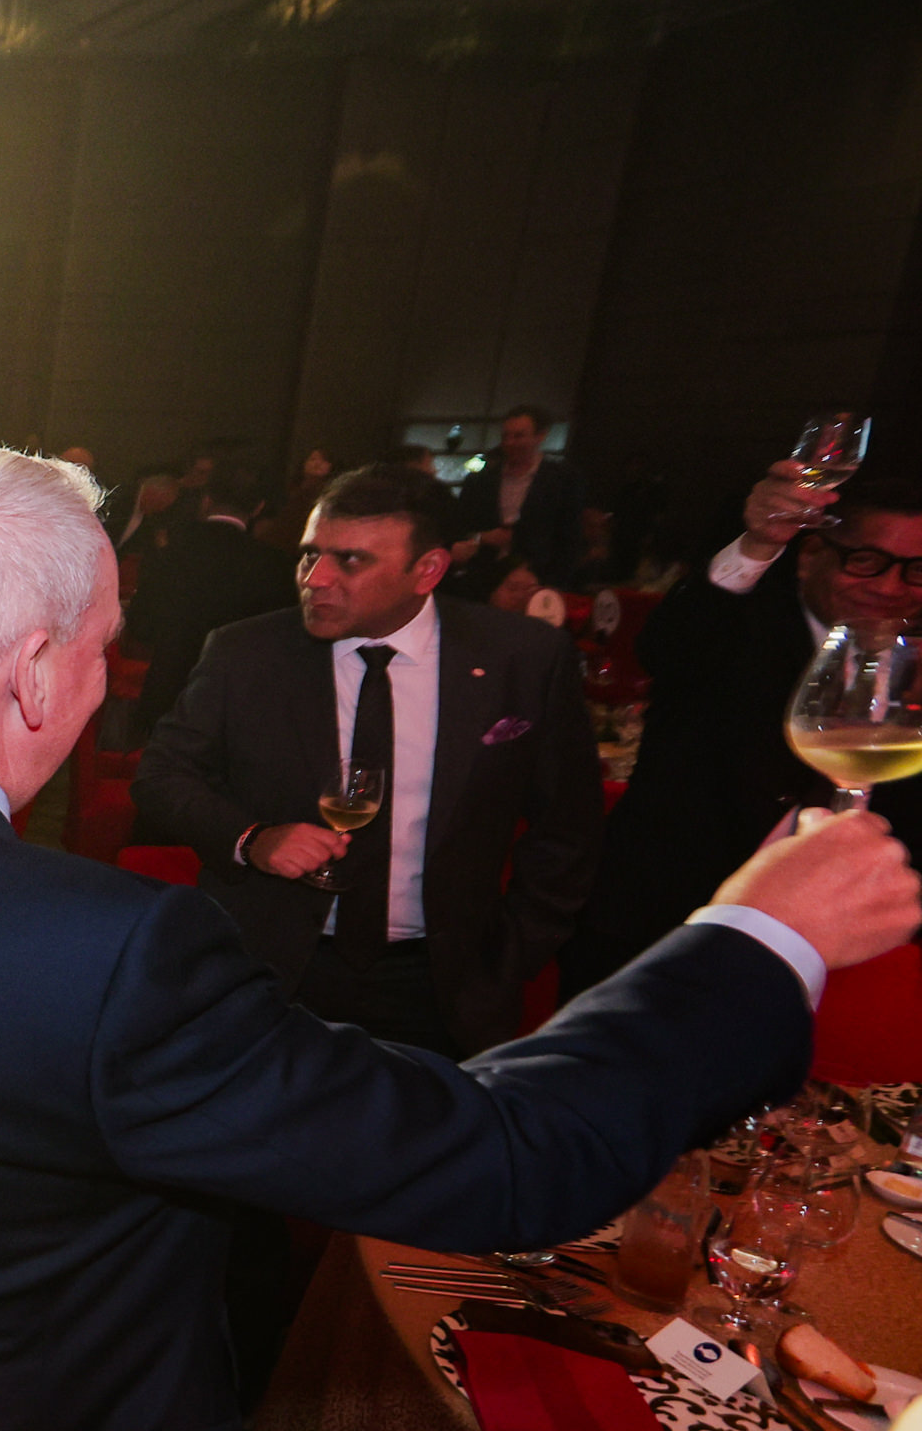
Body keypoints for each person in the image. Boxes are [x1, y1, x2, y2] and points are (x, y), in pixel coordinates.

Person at [0, 443, 917, 1431]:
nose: (105, 677)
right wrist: (760, 935)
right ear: (35, 671)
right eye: (104, 646)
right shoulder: (113, 952)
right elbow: (511, 1157)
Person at [132, 463, 604, 1057]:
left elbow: (568, 826)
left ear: (427, 570)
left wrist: (511, 955)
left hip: (442, 980)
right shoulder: (246, 651)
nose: (316, 578)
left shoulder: (521, 657)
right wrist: (253, 839)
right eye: (310, 555)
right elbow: (162, 774)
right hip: (274, 966)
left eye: (350, 560)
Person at [562, 465, 922, 999]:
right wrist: (757, 543)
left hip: (839, 958)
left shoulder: (912, 663)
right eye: (865, 561)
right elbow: (668, 644)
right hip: (664, 930)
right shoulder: (735, 628)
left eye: (916, 570)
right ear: (810, 556)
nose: (891, 587)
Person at [125, 462, 295, 739]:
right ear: (258, 508)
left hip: (168, 698)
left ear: (206, 501)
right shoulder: (276, 565)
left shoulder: (170, 553)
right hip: (240, 708)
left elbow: (141, 625)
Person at [454, 405, 588, 589]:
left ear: (540, 436)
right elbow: (459, 526)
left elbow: (569, 537)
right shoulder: (480, 480)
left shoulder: (563, 479)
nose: (510, 442)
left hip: (539, 576)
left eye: (518, 436)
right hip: (483, 575)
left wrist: (556, 583)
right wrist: (481, 537)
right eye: (505, 436)